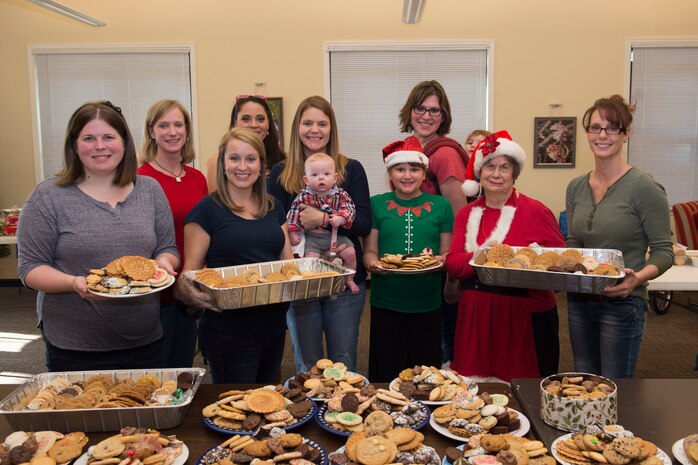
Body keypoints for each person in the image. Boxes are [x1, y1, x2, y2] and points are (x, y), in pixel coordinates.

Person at [17, 101, 179, 372]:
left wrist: (164, 263)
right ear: (74, 145)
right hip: (76, 345)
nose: (99, 146)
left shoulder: (150, 190)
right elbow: (30, 268)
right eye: (89, 138)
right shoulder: (48, 197)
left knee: (142, 413)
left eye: (108, 137)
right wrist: (75, 283)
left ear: (124, 142)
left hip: (145, 339)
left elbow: (167, 247)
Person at [566, 95, 673, 378]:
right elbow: (574, 243)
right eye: (596, 127)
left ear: (625, 134)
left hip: (624, 303)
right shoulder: (576, 187)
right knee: (583, 384)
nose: (603, 135)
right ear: (587, 132)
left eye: (612, 128)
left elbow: (664, 251)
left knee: (615, 388)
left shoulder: (644, 187)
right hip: (580, 299)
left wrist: (636, 279)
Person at [446, 130, 566, 381]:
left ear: (514, 174)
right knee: (477, 395)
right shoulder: (466, 214)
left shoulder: (536, 210)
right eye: (489, 167)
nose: (496, 174)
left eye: (504, 167)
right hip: (476, 317)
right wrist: (484, 255)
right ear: (479, 173)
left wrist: (528, 260)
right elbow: (454, 265)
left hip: (524, 318)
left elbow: (560, 265)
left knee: (526, 393)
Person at [175, 127, 293, 384]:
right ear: (223, 164)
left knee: (269, 396)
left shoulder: (274, 206)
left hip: (273, 323)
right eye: (234, 158)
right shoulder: (206, 210)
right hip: (229, 330)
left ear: (262, 166)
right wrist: (190, 294)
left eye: (251, 159)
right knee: (235, 408)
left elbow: (289, 267)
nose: (243, 166)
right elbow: (188, 275)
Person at [268, 96, 371, 373]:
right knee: (307, 365)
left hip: (344, 279)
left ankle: (341, 415)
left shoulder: (351, 169)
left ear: (331, 128)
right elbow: (273, 228)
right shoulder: (280, 173)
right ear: (296, 128)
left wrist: (322, 219)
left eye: (322, 123)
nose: (315, 129)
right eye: (308, 123)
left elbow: (363, 223)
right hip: (302, 284)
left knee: (344, 361)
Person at [364, 138, 453, 382]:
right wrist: (373, 264)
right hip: (386, 301)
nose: (407, 175)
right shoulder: (377, 204)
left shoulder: (441, 206)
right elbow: (369, 252)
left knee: (424, 374)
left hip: (426, 301)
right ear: (390, 172)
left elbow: (446, 253)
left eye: (414, 169)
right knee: (386, 367)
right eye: (399, 169)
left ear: (424, 173)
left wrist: (439, 260)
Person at [399, 80, 470, 368]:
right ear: (410, 110)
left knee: (443, 344)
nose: (426, 116)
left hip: (440, 265)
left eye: (435, 111)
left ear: (444, 116)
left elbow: (459, 218)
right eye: (421, 108)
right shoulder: (411, 150)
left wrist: (453, 276)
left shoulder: (444, 154)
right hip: (419, 264)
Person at [138, 99, 208, 368]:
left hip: (190, 287)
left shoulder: (197, 177)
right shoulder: (140, 179)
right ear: (151, 131)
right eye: (163, 125)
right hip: (157, 293)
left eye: (178, 124)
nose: (172, 131)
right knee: (157, 369)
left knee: (183, 367)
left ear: (187, 130)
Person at [442, 128, 492, 364]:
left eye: (480, 144)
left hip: (489, 289)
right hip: (460, 276)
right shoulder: (461, 197)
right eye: (470, 142)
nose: (474, 146)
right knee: (453, 327)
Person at [287, 153, 359, 294]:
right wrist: (293, 232)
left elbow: (350, 209)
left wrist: (342, 218)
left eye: (326, 174)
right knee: (310, 261)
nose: (321, 178)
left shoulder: (341, 195)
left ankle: (349, 279)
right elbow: (293, 214)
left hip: (335, 235)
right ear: (306, 180)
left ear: (335, 178)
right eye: (315, 175)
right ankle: (313, 285)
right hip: (313, 238)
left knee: (350, 253)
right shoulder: (303, 197)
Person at [206, 95, 285, 192]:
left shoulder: (284, 161)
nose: (254, 125)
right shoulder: (217, 162)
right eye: (246, 119)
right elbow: (215, 203)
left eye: (260, 119)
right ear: (235, 123)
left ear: (268, 123)